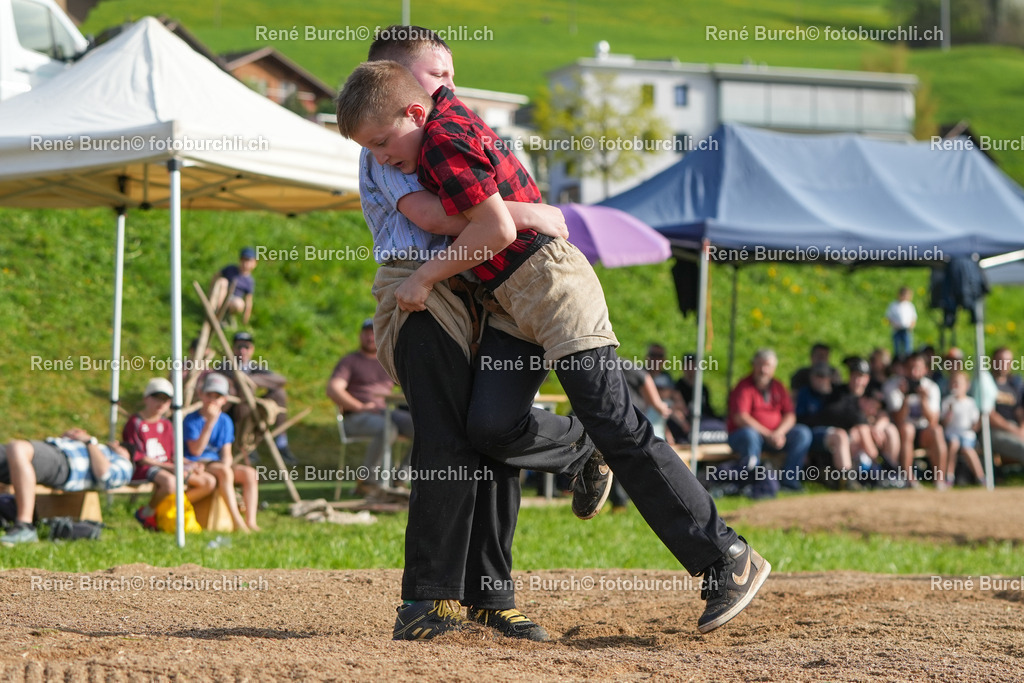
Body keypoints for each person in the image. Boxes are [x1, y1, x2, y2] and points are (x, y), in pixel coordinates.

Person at [338, 55, 771, 636]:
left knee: (617, 421)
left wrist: (421, 279)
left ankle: (726, 558)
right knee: (488, 425)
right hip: (507, 303)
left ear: (416, 107)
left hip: (551, 284)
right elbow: (473, 217)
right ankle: (579, 449)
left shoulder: (441, 140)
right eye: (374, 150)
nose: (383, 158)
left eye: (386, 143)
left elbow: (494, 229)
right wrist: (534, 212)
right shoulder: (432, 129)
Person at [343, 27, 608, 642]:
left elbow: (476, 213)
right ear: (399, 81)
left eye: (449, 73)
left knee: (487, 437)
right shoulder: (384, 145)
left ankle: (493, 594)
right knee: (442, 437)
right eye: (435, 75)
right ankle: (428, 598)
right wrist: (534, 215)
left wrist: (504, 220)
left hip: (473, 289)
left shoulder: (444, 133)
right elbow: (437, 217)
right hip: (418, 287)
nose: (448, 86)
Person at [0, 428, 135, 545]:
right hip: (52, 449)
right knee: (14, 449)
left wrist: (89, 442)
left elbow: (104, 475)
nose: (117, 444)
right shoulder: (100, 448)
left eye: (124, 447)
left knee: (18, 447)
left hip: (65, 463)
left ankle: (24, 526)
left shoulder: (124, 464)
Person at [327, 318, 414, 494]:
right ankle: (368, 481)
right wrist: (359, 406)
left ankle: (400, 480)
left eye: (373, 333)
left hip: (385, 411)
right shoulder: (350, 361)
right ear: (360, 336)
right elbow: (333, 389)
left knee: (425, 428)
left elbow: (410, 385)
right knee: (388, 429)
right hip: (357, 417)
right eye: (366, 333)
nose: (369, 337)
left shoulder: (388, 361)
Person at [123, 377, 216, 530]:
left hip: (167, 467)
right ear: (146, 398)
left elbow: (173, 455)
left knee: (208, 482)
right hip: (143, 469)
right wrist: (172, 467)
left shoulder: (166, 424)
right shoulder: (136, 422)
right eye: (157, 398)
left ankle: (165, 508)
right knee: (171, 482)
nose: (161, 403)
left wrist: (190, 464)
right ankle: (146, 514)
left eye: (165, 400)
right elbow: (140, 458)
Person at [726, 349, 812, 491]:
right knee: (749, 434)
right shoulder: (744, 387)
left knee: (803, 433)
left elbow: (790, 415)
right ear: (753, 365)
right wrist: (768, 434)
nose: (763, 370)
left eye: (768, 366)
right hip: (747, 437)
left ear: (774, 368)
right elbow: (741, 417)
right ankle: (753, 483)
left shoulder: (778, 387)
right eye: (760, 365)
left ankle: (789, 482)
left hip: (775, 436)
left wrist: (779, 433)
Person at [183, 373, 259, 532]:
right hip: (197, 463)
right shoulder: (191, 420)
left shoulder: (225, 420)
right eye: (209, 395)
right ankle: (237, 522)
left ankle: (251, 521)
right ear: (201, 395)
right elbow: (195, 451)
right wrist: (209, 423)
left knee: (250, 473)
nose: (212, 400)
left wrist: (226, 467)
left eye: (217, 396)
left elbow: (226, 454)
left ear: (224, 399)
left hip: (216, 464)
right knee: (224, 471)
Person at [229, 331, 297, 465]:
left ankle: (281, 442)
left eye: (246, 347)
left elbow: (280, 379)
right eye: (239, 347)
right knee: (245, 394)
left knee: (279, 393)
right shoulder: (226, 367)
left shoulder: (254, 367)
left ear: (252, 349)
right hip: (234, 409)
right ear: (233, 348)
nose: (243, 351)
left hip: (255, 407)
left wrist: (252, 380)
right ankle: (245, 442)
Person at [883, 352, 947, 488]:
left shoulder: (931, 387)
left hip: (924, 432)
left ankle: (939, 479)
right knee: (907, 429)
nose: (913, 372)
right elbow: (898, 420)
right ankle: (909, 479)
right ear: (904, 369)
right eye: (910, 368)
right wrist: (905, 398)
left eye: (917, 368)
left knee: (937, 430)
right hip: (902, 432)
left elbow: (933, 421)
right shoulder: (893, 386)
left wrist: (923, 400)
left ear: (925, 370)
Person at [941, 370, 984, 485]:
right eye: (953, 383)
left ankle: (980, 477)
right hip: (952, 434)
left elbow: (975, 424)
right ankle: (949, 476)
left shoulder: (970, 402)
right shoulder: (947, 401)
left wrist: (979, 421)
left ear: (966, 386)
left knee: (967, 449)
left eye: (958, 383)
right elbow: (944, 423)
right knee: (953, 445)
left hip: (967, 435)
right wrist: (949, 413)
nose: (955, 386)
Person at [988, 346, 1024, 467]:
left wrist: (1021, 429)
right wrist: (1014, 430)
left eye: (1008, 361)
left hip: (1015, 428)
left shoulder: (1014, 384)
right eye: (1001, 360)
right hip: (995, 430)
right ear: (993, 361)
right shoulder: (986, 383)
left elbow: (1019, 410)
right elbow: (989, 415)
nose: (1004, 364)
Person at [210, 247, 257, 325]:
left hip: (232, 301)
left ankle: (225, 315)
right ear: (240, 260)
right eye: (243, 260)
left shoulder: (249, 281)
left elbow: (248, 300)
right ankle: (215, 311)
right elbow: (216, 276)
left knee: (239, 304)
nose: (245, 263)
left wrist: (245, 319)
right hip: (221, 294)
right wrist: (211, 290)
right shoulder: (230, 269)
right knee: (223, 281)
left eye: (248, 261)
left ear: (254, 263)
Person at [885, 286, 917, 360]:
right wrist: (893, 324)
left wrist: (911, 326)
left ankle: (908, 360)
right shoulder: (894, 305)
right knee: (897, 347)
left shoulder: (909, 306)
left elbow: (913, 318)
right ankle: (897, 360)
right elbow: (889, 317)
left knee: (907, 348)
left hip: (906, 330)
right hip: (897, 330)